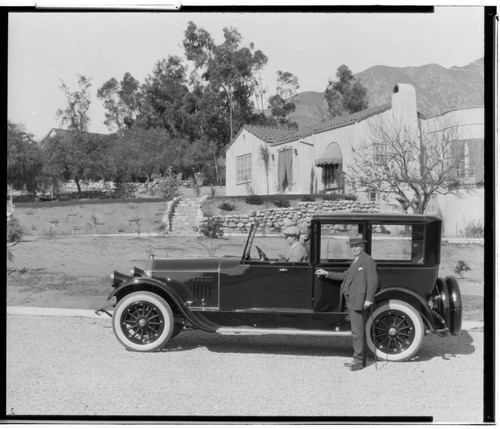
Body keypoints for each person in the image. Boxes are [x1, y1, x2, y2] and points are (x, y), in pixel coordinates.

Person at [315, 235, 378, 371]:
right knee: (357, 331)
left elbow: (373, 282)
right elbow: (345, 275)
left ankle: (359, 361)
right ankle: (360, 359)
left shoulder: (368, 260)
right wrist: (327, 273)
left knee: (357, 332)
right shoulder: (356, 261)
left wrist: (368, 300)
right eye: (352, 246)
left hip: (359, 301)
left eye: (357, 246)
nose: (354, 249)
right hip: (352, 300)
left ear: (362, 246)